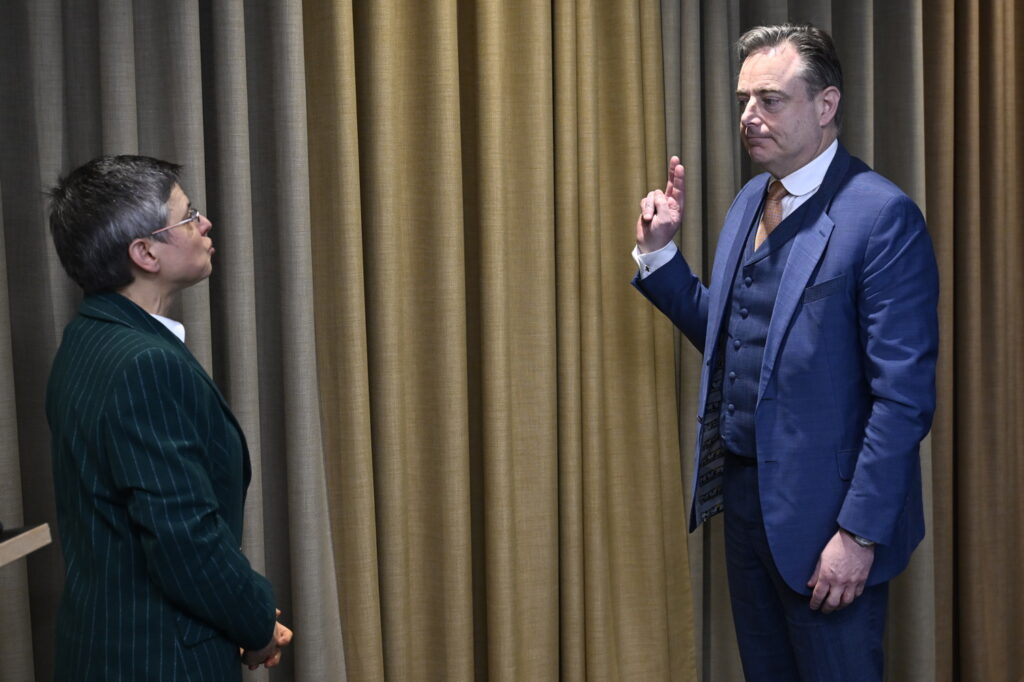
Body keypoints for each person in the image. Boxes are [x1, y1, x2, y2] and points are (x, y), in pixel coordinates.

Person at [632, 24, 938, 681]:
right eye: (744, 99)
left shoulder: (882, 217)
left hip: (831, 521)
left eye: (769, 99)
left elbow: (903, 400)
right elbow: (735, 336)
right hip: (746, 505)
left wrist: (857, 535)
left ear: (825, 106)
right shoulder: (751, 200)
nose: (749, 115)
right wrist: (659, 255)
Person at [46, 155, 293, 680]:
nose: (205, 224)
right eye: (188, 216)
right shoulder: (143, 364)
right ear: (145, 253)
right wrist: (257, 625)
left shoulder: (85, 338)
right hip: (160, 658)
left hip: (104, 647)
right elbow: (186, 541)